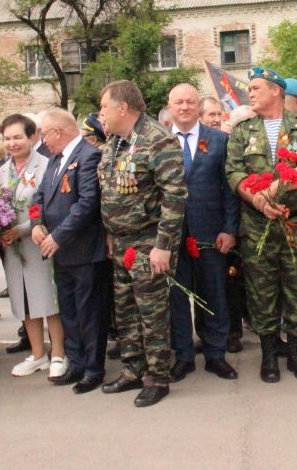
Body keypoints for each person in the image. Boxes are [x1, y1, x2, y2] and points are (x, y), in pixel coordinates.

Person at [226, 66, 297, 383]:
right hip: (257, 227)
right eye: (250, 89)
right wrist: (257, 200)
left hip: (295, 224)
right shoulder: (242, 131)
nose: (250, 93)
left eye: (255, 88)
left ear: (276, 91)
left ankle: (295, 353)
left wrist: (276, 189)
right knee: (261, 294)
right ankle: (269, 355)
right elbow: (234, 173)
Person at [98, 81, 185, 407]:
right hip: (120, 243)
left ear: (123, 107)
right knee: (126, 311)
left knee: (152, 314)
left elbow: (174, 196)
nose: (101, 113)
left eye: (104, 106)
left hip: (149, 242)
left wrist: (163, 245)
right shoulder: (116, 143)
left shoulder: (158, 140)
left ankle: (157, 376)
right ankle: (133, 369)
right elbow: (112, 191)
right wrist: (110, 232)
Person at [30, 108, 107, 395]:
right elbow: (40, 196)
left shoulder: (89, 156)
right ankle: (76, 362)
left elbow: (87, 203)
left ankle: (93, 368)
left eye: (44, 135)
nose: (43, 142)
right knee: (69, 312)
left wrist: (59, 236)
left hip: (84, 251)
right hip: (59, 252)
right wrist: (37, 223)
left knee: (89, 313)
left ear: (58, 132)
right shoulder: (55, 159)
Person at [166, 83, 240, 382]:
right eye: (179, 102)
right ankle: (183, 356)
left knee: (213, 295)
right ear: (170, 107)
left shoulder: (219, 141)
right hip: (170, 236)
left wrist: (229, 229)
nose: (184, 107)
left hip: (210, 233)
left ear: (198, 106)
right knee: (176, 299)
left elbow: (229, 190)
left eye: (190, 102)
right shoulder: (158, 142)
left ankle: (215, 355)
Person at [0, 114, 66, 380]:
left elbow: (49, 208)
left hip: (39, 243)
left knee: (48, 300)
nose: (12, 143)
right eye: (8, 138)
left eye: (18, 137)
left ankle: (58, 352)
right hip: (13, 249)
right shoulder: (2, 170)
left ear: (32, 137)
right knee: (25, 301)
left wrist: (22, 229)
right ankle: (38, 355)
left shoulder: (46, 166)